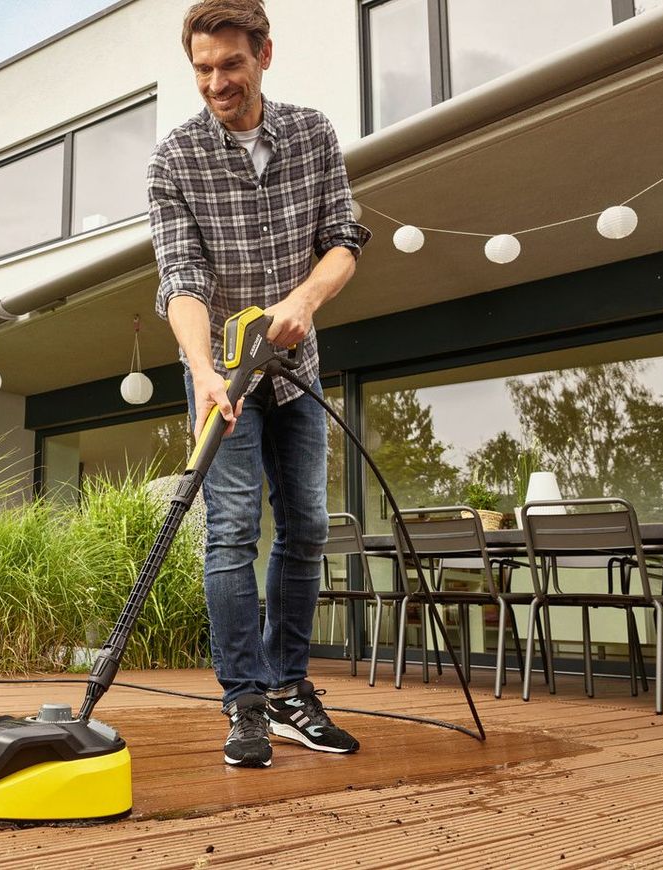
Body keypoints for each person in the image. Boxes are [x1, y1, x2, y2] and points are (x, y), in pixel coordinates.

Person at [147, 0, 371, 768]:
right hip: (222, 380)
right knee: (231, 531)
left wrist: (303, 301)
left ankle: (289, 691)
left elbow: (343, 241)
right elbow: (181, 279)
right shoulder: (174, 158)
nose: (216, 83)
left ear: (264, 56)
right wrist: (206, 371)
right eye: (203, 70)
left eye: (230, 65)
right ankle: (244, 701)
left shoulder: (311, 135)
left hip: (296, 371)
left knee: (306, 528)